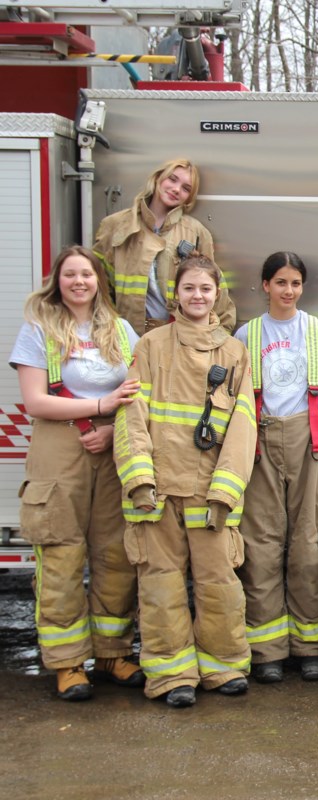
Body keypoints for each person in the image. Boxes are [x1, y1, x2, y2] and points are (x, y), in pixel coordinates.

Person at [114, 255, 256, 708]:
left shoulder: (234, 352)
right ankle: (171, 673)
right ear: (176, 294)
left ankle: (224, 665)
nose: (198, 296)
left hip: (209, 490)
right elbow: (131, 414)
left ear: (218, 295)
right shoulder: (151, 346)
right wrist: (138, 478)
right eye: (190, 288)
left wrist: (226, 491)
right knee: (161, 585)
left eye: (206, 289)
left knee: (219, 582)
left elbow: (243, 426)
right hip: (156, 489)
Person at [10, 246, 142, 701]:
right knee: (61, 552)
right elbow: (36, 401)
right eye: (70, 274)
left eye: (86, 274)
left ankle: (111, 652)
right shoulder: (39, 329)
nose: (79, 281)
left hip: (110, 446)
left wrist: (109, 430)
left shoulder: (122, 331)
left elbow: (137, 393)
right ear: (57, 280)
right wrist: (100, 407)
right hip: (58, 445)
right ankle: (68, 662)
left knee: (115, 551)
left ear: (99, 281)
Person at [233, 252, 318, 684]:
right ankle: (267, 650)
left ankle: (311, 645)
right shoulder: (247, 334)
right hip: (259, 438)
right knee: (260, 542)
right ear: (265, 285)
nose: (288, 290)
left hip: (309, 440)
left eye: (295, 283)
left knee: (307, 542)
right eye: (280, 282)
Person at [93, 157, 236, 334]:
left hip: (177, 339)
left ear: (189, 198)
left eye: (186, 188)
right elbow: (97, 286)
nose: (176, 189)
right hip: (124, 336)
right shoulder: (116, 225)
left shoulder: (196, 233)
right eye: (172, 179)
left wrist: (217, 338)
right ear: (158, 178)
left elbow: (214, 290)